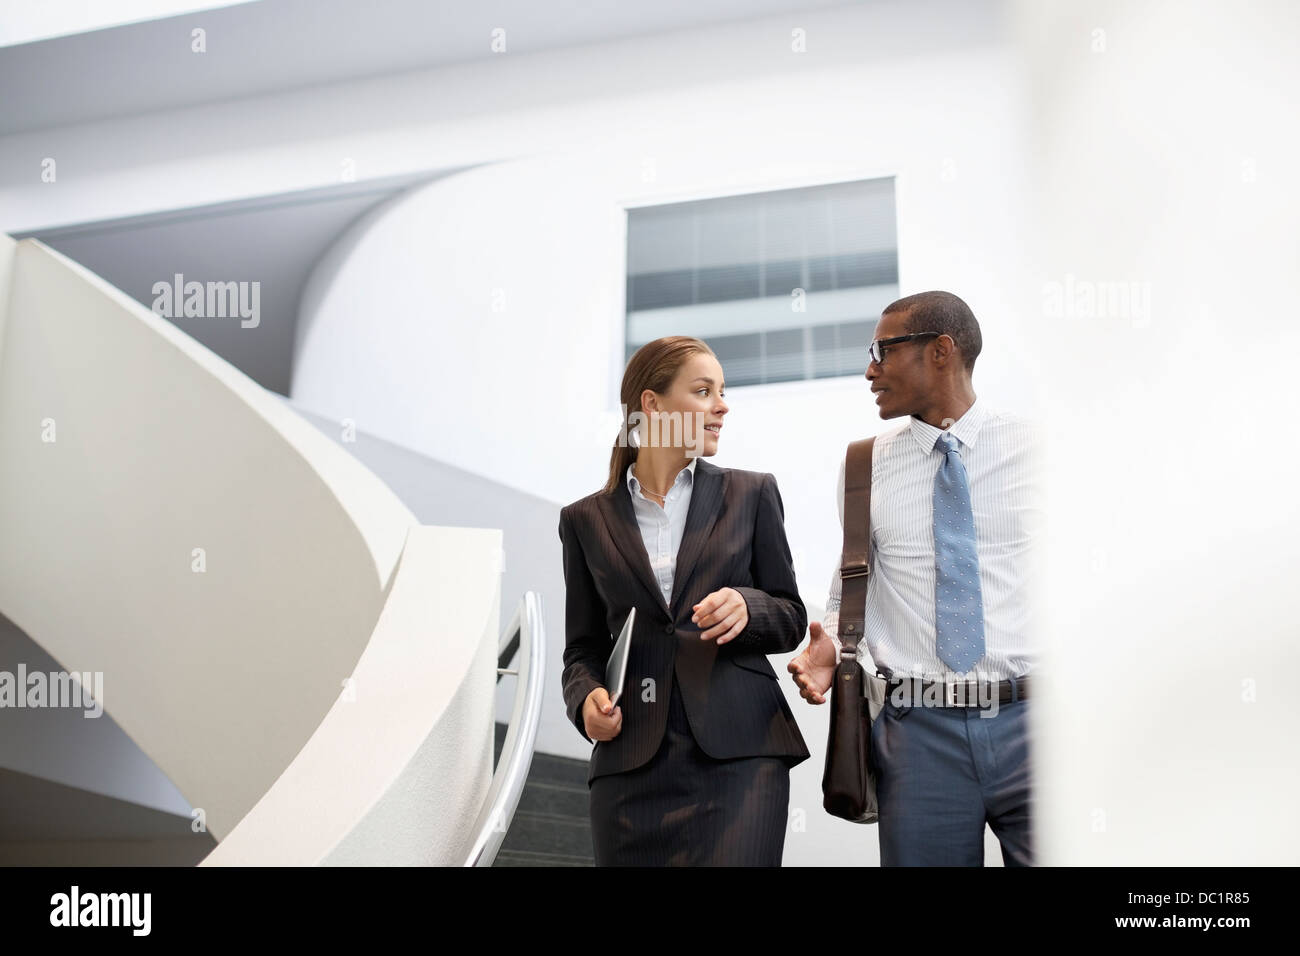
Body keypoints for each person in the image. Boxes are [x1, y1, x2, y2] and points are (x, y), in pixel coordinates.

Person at [789, 291, 1044, 866]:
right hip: (919, 733)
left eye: (882, 350)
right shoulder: (864, 464)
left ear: (940, 351)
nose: (869, 369)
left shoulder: (1037, 450)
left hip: (1037, 727)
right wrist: (832, 643)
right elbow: (850, 586)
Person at [558, 335, 810, 866]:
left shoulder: (752, 492)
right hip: (631, 768)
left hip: (741, 758)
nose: (722, 406)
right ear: (652, 404)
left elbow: (790, 616)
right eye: (703, 391)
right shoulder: (583, 521)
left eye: (722, 391)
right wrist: (585, 703)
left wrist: (748, 606)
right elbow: (581, 649)